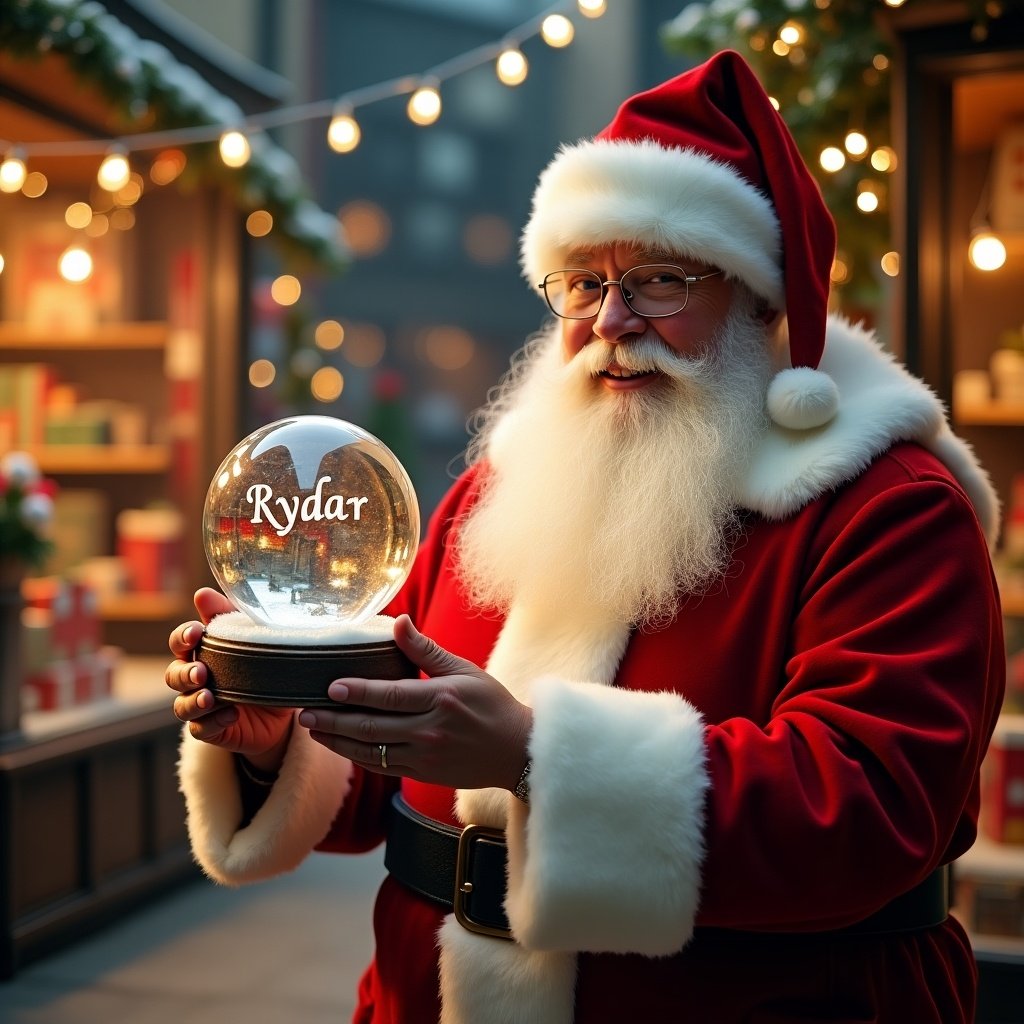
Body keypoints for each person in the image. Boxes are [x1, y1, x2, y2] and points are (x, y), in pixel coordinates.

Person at [165, 50, 1006, 1024]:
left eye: (658, 279)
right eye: (580, 283)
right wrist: (278, 737)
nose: (612, 319)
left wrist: (534, 756)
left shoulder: (885, 506)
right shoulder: (505, 487)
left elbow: (864, 808)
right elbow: (399, 765)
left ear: (760, 301)